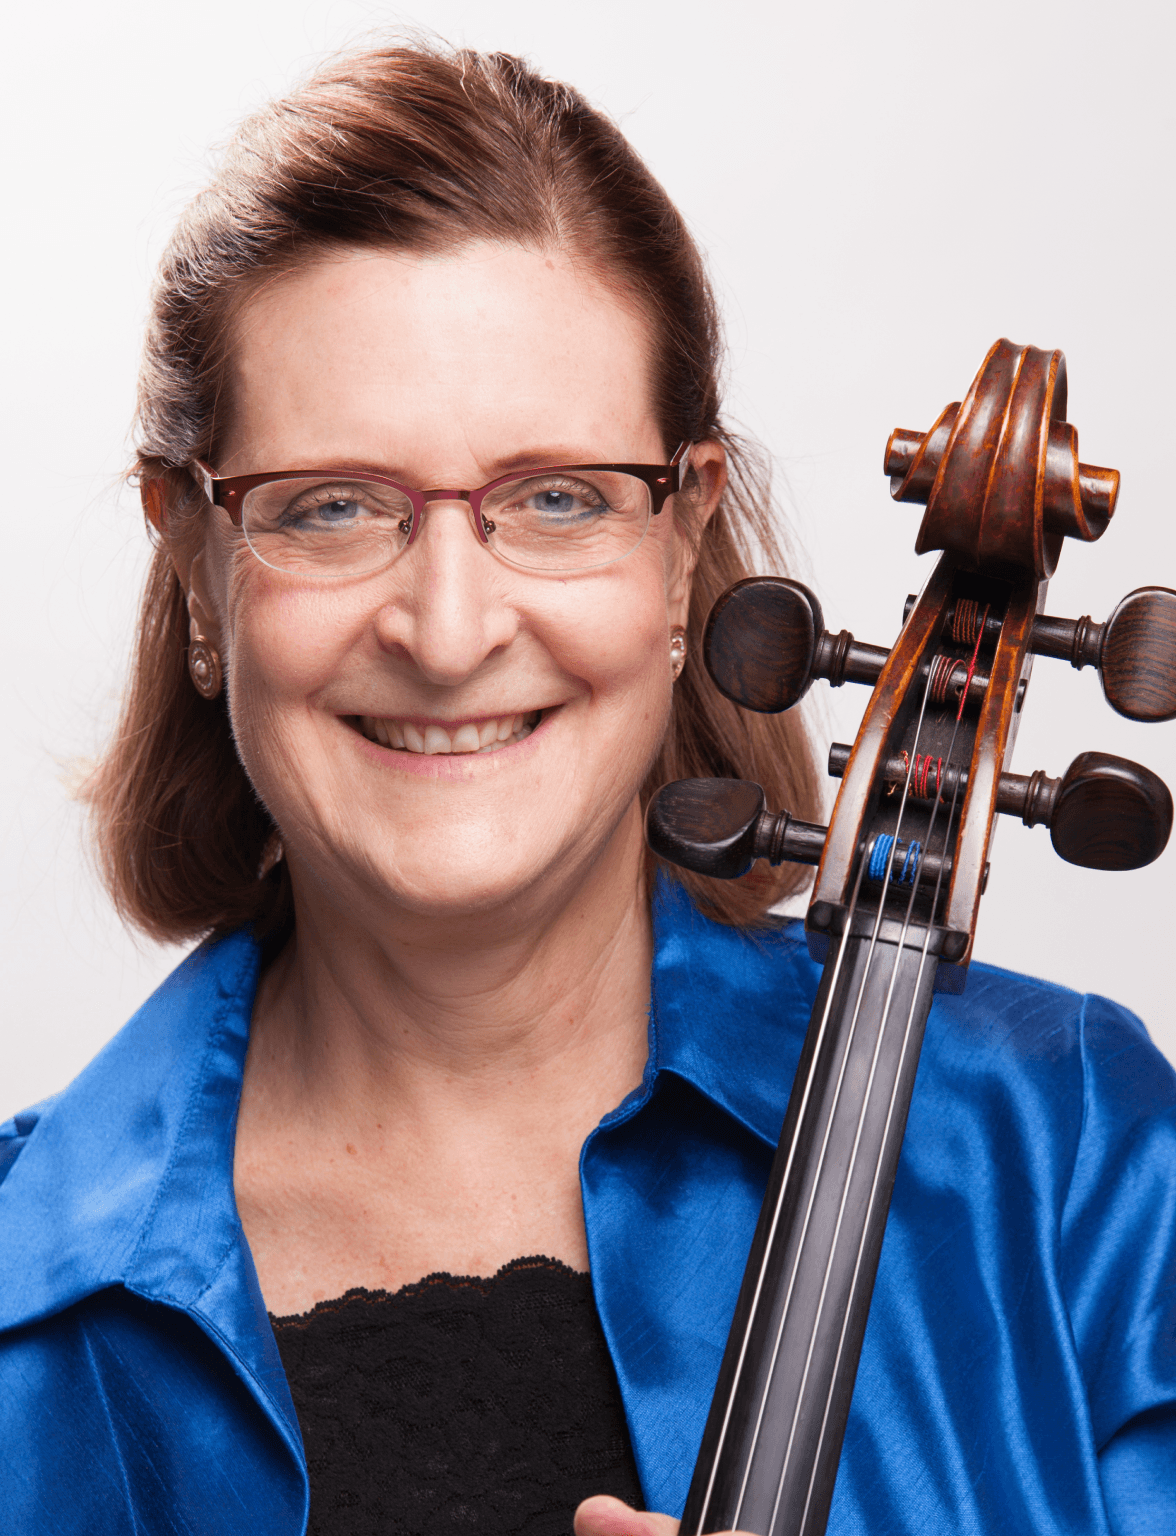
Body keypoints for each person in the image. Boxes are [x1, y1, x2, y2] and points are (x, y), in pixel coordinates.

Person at [0, 40, 1173, 1536]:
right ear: (199, 571)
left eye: (556, 499)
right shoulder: (18, 1318)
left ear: (683, 544)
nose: (447, 627)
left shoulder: (1075, 1165)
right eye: (332, 507)